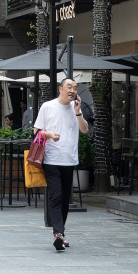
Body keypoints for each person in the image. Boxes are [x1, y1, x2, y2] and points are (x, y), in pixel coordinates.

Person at [34, 77, 89, 251]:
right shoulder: (48, 106)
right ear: (61, 89)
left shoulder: (76, 109)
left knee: (65, 199)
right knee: (56, 196)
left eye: (75, 88)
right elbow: (36, 131)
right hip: (51, 159)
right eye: (69, 87)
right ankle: (57, 234)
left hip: (69, 160)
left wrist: (78, 112)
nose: (72, 90)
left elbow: (85, 130)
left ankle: (61, 233)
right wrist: (50, 135)